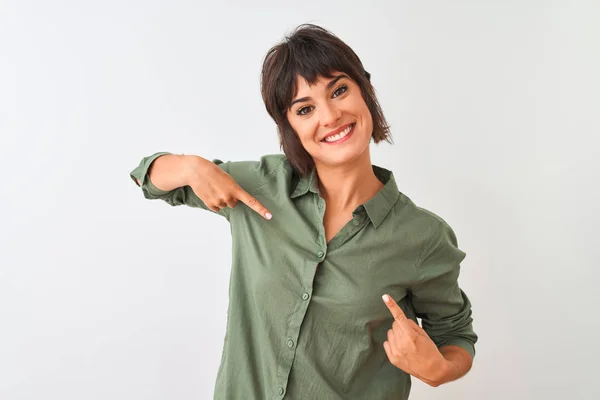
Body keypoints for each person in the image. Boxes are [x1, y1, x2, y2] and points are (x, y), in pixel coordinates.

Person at [130, 24, 477, 400]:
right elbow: (148, 177)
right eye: (305, 108)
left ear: (366, 90)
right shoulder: (260, 187)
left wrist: (440, 369)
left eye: (339, 90)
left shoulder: (421, 236)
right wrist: (190, 166)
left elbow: (456, 335)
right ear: (290, 126)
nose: (329, 116)